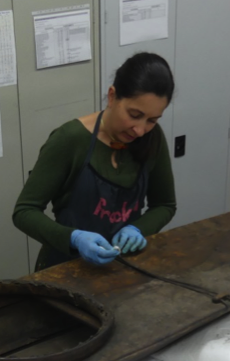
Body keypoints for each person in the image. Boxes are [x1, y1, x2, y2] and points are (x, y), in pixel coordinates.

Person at [12, 52, 177, 271]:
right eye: (134, 115)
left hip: (126, 267)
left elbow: (165, 205)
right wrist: (74, 238)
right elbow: (24, 212)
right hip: (65, 269)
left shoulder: (152, 138)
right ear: (112, 96)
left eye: (152, 120)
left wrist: (138, 229)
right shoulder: (70, 140)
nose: (140, 130)